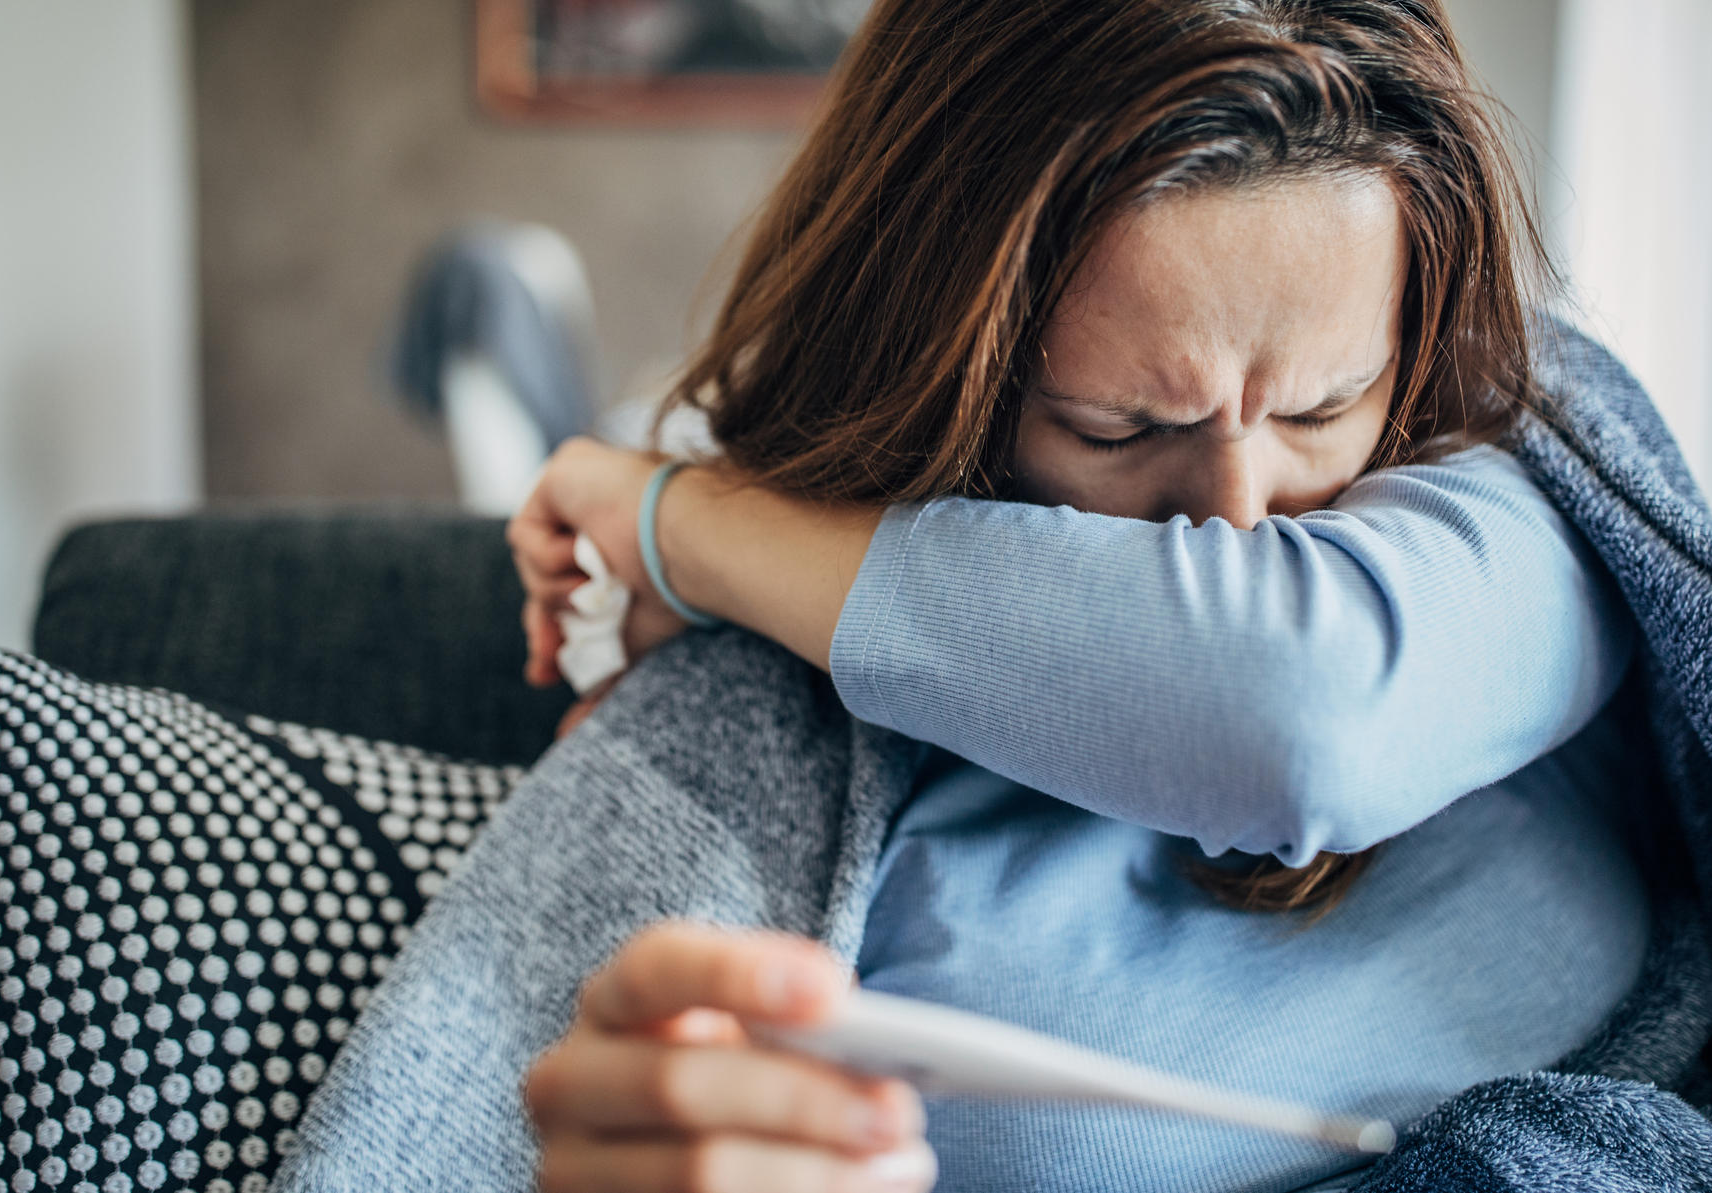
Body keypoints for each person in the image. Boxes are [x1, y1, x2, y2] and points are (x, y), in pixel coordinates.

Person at [509, 1, 1651, 1189]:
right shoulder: (776, 703)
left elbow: (1301, 710)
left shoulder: (1521, 502)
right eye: (1122, 428)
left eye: (1321, 410)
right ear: (938, 366)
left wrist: (682, 523)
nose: (1239, 518)